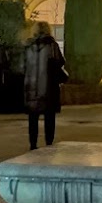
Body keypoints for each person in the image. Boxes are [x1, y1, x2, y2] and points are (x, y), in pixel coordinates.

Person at [23, 20, 67, 150]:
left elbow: (21, 66)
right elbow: (60, 61)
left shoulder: (28, 46)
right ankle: (48, 143)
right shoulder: (51, 45)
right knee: (49, 118)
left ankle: (33, 144)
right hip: (48, 87)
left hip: (31, 87)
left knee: (32, 118)